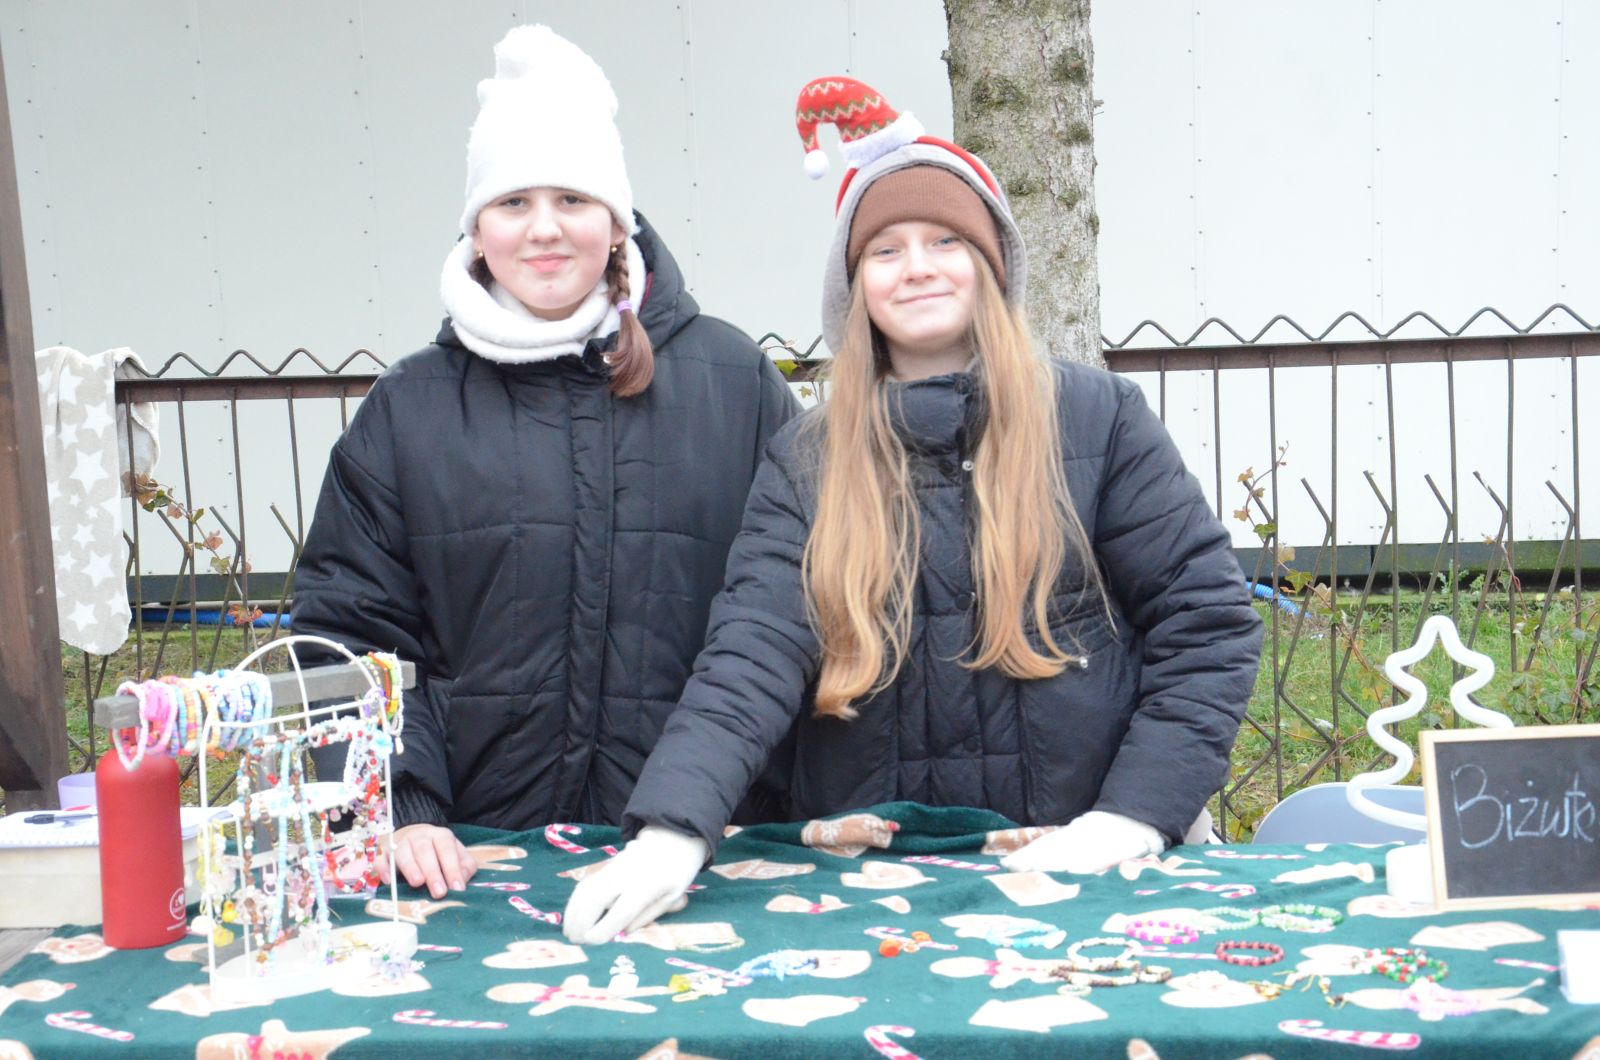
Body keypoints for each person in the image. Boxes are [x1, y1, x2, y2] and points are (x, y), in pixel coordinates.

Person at [562, 77, 1263, 943]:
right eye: (886, 250)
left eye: (945, 240)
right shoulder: (808, 459)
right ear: (855, 286)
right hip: (868, 890)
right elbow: (750, 656)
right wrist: (674, 829)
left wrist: (1134, 816)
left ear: (991, 265)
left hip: (1082, 865)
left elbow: (1206, 625)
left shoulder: (1098, 421)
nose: (919, 266)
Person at [291, 27, 798, 900]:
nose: (545, 229)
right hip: (468, 860)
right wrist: (400, 805)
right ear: (476, 229)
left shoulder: (734, 382)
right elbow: (348, 631)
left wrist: (717, 811)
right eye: (513, 201)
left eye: (572, 197)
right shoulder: (408, 409)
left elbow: (791, 612)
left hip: (708, 850)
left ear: (617, 221)